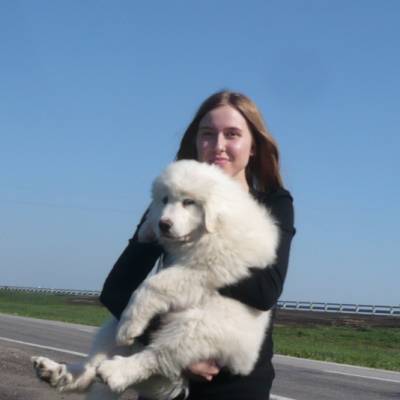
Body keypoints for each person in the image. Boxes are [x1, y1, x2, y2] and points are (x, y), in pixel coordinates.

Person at [99, 90, 296, 400]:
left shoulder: (273, 204)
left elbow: (265, 290)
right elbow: (115, 290)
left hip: (236, 386)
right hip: (167, 378)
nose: (218, 146)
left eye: (232, 134)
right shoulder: (168, 203)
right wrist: (172, 348)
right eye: (207, 135)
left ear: (253, 146)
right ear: (195, 143)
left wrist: (197, 270)